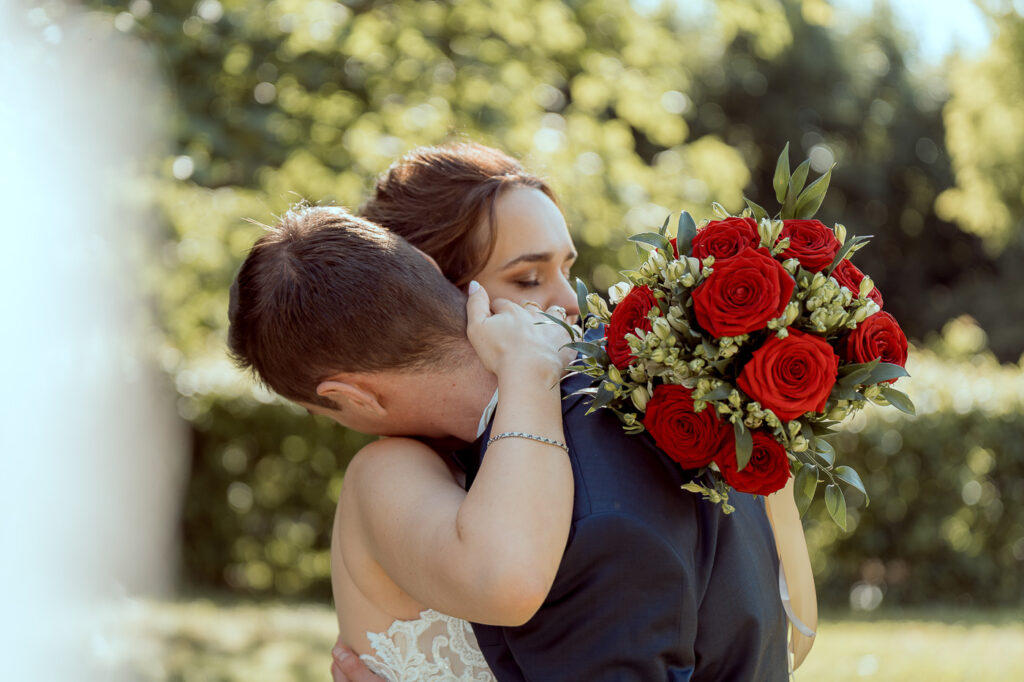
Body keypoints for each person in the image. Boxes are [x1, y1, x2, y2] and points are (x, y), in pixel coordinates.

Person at [229, 203, 790, 680]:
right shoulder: (651, 383)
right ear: (426, 268)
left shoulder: (396, 474)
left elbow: (508, 582)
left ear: (350, 397)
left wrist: (528, 376)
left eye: (321, 413)